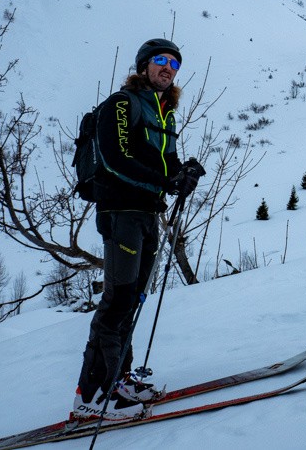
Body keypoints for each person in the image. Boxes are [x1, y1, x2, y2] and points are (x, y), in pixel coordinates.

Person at [71, 38, 200, 422]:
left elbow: (169, 164)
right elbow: (115, 159)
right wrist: (164, 181)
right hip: (121, 212)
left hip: (146, 214)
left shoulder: (165, 114)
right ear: (143, 66)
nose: (168, 67)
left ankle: (119, 380)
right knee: (117, 302)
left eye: (174, 63)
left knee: (133, 300)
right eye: (160, 60)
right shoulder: (122, 104)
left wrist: (184, 174)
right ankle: (92, 396)